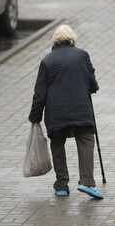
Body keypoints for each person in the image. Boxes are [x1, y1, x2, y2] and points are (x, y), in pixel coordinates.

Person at [28, 25, 103, 199]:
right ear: (72, 40)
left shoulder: (47, 61)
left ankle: (61, 185)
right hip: (81, 110)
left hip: (56, 113)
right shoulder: (82, 55)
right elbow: (92, 81)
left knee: (57, 142)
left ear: (54, 41)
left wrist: (35, 116)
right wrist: (93, 88)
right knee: (86, 139)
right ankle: (87, 182)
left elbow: (40, 93)